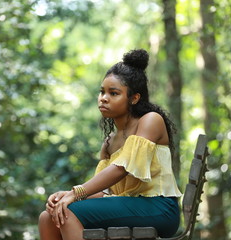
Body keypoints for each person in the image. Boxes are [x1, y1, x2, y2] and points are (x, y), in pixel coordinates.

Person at [38, 49, 182, 240]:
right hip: (128, 205)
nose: (103, 98)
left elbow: (121, 169)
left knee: (68, 213)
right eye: (102, 92)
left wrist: (76, 193)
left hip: (159, 207)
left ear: (134, 98)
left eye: (113, 93)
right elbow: (104, 192)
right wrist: (66, 195)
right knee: (48, 216)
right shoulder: (110, 141)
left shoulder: (150, 121)